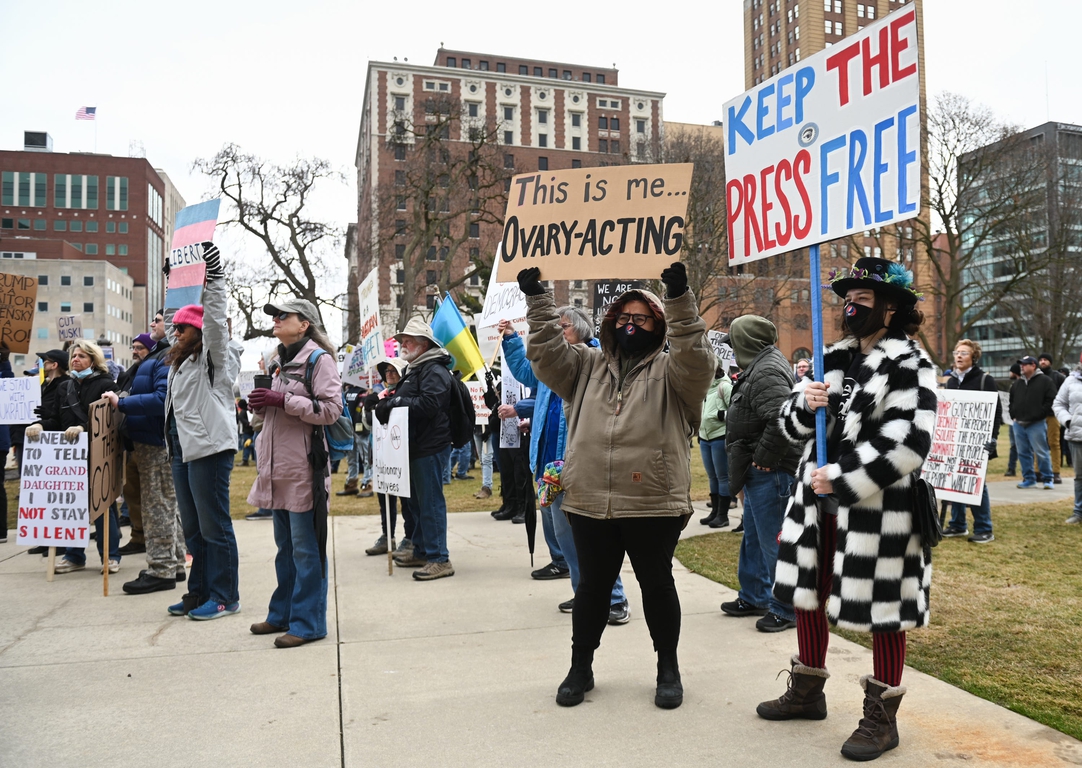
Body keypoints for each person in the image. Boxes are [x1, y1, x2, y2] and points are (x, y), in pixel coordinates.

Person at [761, 257, 937, 762]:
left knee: (885, 609)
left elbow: (907, 443)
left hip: (880, 511)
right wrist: (804, 402)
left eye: (862, 298)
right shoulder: (830, 358)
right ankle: (807, 692)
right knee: (807, 596)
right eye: (846, 298)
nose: (849, 305)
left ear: (890, 308)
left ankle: (881, 719)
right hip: (817, 508)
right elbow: (793, 429)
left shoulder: (911, 365)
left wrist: (840, 476)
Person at [519, 261, 714, 710]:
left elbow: (696, 356)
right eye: (623, 318)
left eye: (640, 319)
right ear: (610, 324)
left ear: (657, 326)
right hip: (590, 499)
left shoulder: (676, 372)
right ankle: (580, 667)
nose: (630, 325)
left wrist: (680, 297)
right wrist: (538, 302)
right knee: (591, 589)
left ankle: (668, 668)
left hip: (652, 500)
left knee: (657, 585)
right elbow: (546, 354)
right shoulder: (584, 367)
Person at [499, 311, 631, 623]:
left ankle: (614, 600)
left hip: (582, 465)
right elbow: (524, 371)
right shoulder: (551, 363)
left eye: (563, 326)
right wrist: (511, 340)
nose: (558, 331)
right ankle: (586, 595)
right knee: (568, 540)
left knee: (593, 539)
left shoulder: (600, 360)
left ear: (581, 329)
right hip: (548, 467)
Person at [247, 299, 343, 648]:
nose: (275, 320)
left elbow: (332, 410)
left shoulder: (320, 360)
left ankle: (308, 623)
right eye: (274, 315)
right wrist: (260, 405)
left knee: (306, 550)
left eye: (282, 315)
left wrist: (282, 401)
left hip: (304, 468)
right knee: (285, 548)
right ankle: (283, 614)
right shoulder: (278, 361)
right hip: (276, 468)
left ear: (304, 324)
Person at [163, 243, 243, 619]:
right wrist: (173, 284)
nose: (175, 333)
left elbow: (214, 321)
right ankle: (198, 592)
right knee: (193, 532)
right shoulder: (179, 359)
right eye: (175, 328)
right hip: (182, 450)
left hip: (210, 450)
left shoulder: (214, 357)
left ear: (196, 332)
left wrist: (215, 277)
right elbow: (168, 320)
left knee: (215, 527)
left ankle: (225, 595)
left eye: (181, 328)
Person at [721, 315, 800, 632]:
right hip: (761, 472)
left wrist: (764, 459)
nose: (731, 350)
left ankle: (785, 608)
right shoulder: (762, 365)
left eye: (734, 343)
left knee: (774, 543)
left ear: (746, 343)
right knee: (754, 538)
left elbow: (782, 418)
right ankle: (755, 596)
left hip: (774, 472)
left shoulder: (766, 370)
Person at [106, 333, 187, 593]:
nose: (153, 323)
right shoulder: (155, 359)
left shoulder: (164, 358)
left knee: (157, 506)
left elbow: (163, 399)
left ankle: (161, 569)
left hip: (156, 443)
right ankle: (172, 564)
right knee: (165, 504)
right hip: (148, 441)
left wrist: (123, 403)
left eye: (158, 320)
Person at [32, 341, 123, 574]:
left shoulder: (106, 384)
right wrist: (40, 425)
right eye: (74, 356)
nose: (75, 359)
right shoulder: (65, 387)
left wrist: (84, 428)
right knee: (72, 505)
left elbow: (107, 420)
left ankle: (110, 556)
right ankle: (74, 556)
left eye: (82, 356)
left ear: (93, 360)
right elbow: (56, 419)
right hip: (71, 458)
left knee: (101, 505)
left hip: (98, 455)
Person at [375, 319, 455, 581]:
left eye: (408, 340)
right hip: (415, 446)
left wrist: (395, 400)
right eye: (401, 340)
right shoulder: (418, 369)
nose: (402, 345)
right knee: (418, 503)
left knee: (429, 503)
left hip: (429, 446)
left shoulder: (433, 370)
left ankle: (439, 558)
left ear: (424, 345)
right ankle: (422, 550)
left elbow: (429, 404)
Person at [942, 340, 1001, 544]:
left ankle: (985, 528)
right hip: (956, 441)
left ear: (973, 357)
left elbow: (996, 412)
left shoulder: (985, 380)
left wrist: (993, 438)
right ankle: (958, 524)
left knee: (976, 483)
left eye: (964, 353)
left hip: (978, 442)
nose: (958, 356)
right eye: (956, 352)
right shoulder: (950, 382)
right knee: (955, 481)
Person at [24, 350, 71, 556]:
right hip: (41, 441)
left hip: (59, 443)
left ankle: (60, 543)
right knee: (44, 495)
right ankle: (46, 538)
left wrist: (48, 416)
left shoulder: (65, 384)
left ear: (55, 365)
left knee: (58, 496)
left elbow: (61, 414)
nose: (41, 363)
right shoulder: (46, 384)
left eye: (44, 361)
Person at [366, 358, 411, 555]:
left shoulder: (406, 394)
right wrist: (370, 409)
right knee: (385, 497)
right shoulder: (380, 395)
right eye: (387, 371)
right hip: (382, 455)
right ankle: (387, 536)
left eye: (394, 371)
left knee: (406, 500)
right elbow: (370, 426)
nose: (390, 374)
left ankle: (410, 537)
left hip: (401, 455)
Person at [1009, 355, 1057, 490]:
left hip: (1036, 423)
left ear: (1033, 365)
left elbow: (1051, 399)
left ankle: (1048, 478)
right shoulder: (1017, 384)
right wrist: (1013, 414)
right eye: (1021, 364)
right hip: (1018, 423)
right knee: (1023, 453)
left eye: (1024, 364)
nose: (1021, 367)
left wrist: (1040, 414)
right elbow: (1011, 401)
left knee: (1041, 452)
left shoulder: (1045, 381)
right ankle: (1029, 479)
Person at [699, 353, 733, 528]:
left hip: (720, 436)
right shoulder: (703, 386)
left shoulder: (725, 386)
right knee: (712, 476)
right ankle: (714, 512)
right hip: (705, 437)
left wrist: (722, 415)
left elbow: (737, 411)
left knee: (722, 476)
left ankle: (723, 515)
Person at [1054, 356, 1082, 524]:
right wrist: (1068, 421)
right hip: (1077, 436)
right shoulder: (1070, 381)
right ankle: (1079, 512)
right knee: (1080, 477)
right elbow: (1058, 403)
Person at [337, 383, 372, 497]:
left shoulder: (364, 391)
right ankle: (351, 484)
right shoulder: (346, 392)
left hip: (360, 430)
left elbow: (364, 409)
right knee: (351, 459)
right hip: (349, 430)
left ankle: (367, 484)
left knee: (366, 458)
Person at [1038, 354, 1065, 483]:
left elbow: (1065, 395)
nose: (1043, 362)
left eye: (1045, 360)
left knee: (1054, 443)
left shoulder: (1058, 377)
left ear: (1050, 362)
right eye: (1041, 360)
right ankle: (1037, 471)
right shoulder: (1035, 377)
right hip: (1038, 416)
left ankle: (1056, 472)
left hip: (1053, 415)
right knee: (1037, 444)